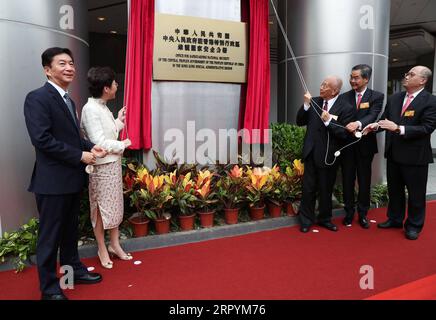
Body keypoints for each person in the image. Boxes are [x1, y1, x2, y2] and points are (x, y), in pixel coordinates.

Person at [24, 47, 106, 300]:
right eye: (62, 63)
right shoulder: (37, 98)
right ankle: (49, 290)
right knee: (50, 238)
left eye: (71, 63)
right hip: (52, 182)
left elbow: (71, 138)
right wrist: (79, 155)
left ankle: (73, 272)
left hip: (71, 179)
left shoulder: (68, 100)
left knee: (70, 234)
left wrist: (89, 146)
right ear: (47, 69)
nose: (70, 67)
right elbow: (42, 139)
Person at [363, 66, 436, 240]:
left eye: (411, 74)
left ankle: (414, 225)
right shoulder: (395, 98)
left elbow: (427, 127)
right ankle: (395, 219)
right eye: (407, 73)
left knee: (416, 194)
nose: (406, 76)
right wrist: (375, 126)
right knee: (395, 191)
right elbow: (386, 121)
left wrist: (399, 128)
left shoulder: (431, 101)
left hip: (415, 156)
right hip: (394, 153)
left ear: (423, 80)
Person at [80, 67, 132, 269]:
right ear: (106, 88)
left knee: (114, 206)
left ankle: (115, 244)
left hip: (112, 165)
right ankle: (102, 247)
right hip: (101, 168)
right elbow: (99, 141)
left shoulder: (101, 106)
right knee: (100, 210)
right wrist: (124, 144)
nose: (117, 85)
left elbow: (108, 132)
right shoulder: (90, 109)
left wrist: (118, 121)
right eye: (114, 83)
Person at [296, 76, 356, 233]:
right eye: (321, 83)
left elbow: (344, 134)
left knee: (325, 189)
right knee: (308, 189)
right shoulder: (314, 101)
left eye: (325, 85)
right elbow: (299, 121)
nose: (321, 87)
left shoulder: (346, 107)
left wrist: (329, 121)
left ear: (334, 90)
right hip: (311, 153)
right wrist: (306, 105)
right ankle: (306, 220)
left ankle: (324, 219)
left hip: (329, 156)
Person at [340, 64, 384, 228]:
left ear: (366, 79)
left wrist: (357, 123)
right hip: (347, 145)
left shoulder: (377, 96)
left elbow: (373, 115)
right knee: (347, 180)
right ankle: (349, 213)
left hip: (365, 146)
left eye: (356, 77)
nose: (352, 80)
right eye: (351, 77)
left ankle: (363, 213)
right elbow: (340, 116)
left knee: (364, 181)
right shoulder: (344, 97)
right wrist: (347, 125)